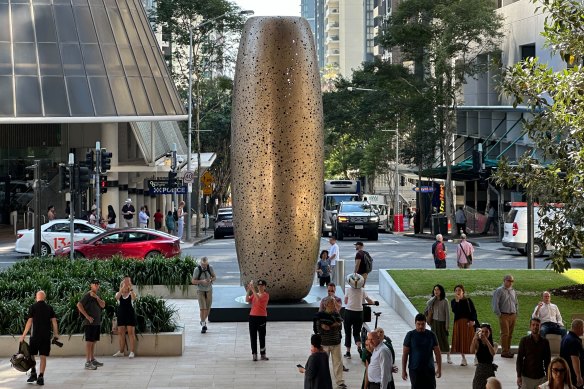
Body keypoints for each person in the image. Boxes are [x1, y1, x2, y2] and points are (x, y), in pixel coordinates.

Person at [19, 290, 59, 386]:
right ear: (44, 298)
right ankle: (41, 376)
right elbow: (54, 322)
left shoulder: (33, 307)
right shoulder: (49, 308)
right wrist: (56, 334)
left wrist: (23, 335)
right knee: (43, 357)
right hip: (45, 337)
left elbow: (29, 322)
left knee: (31, 354)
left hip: (34, 336)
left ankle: (33, 372)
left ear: (37, 297)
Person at [402, 313, 442, 389]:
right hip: (415, 370)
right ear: (415, 323)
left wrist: (439, 369)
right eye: (418, 324)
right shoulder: (410, 335)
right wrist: (403, 370)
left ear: (425, 323)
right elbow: (405, 354)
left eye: (423, 324)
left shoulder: (431, 335)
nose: (420, 326)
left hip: (429, 369)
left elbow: (438, 353)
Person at [315, 296, 346, 389]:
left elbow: (339, 326)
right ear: (326, 305)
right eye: (332, 303)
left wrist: (330, 326)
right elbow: (319, 328)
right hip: (324, 343)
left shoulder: (336, 314)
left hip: (336, 342)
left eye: (334, 303)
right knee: (323, 363)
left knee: (338, 363)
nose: (333, 305)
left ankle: (340, 382)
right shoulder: (320, 315)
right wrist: (329, 326)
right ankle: (322, 382)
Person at [344, 273, 376, 359]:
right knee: (356, 332)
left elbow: (346, 301)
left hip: (348, 312)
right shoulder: (362, 291)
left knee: (348, 332)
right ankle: (358, 347)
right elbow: (369, 301)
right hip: (359, 313)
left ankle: (348, 352)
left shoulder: (348, 290)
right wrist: (374, 302)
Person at [76, 279, 106, 370]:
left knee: (93, 341)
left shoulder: (97, 295)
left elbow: (103, 305)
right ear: (91, 285)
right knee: (89, 342)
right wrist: (87, 316)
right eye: (95, 284)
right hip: (89, 323)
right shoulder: (88, 295)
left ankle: (92, 359)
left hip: (96, 322)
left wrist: (96, 297)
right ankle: (87, 362)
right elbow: (79, 305)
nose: (96, 285)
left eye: (98, 284)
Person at [517, 318, 551, 389]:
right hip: (526, 377)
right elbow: (519, 359)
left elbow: (547, 361)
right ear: (530, 326)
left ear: (540, 326)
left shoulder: (545, 342)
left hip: (540, 377)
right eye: (533, 325)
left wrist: (548, 376)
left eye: (537, 325)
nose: (535, 327)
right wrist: (518, 376)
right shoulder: (524, 341)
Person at [451, 284, 478, 366]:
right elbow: (455, 311)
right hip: (458, 323)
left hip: (468, 323)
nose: (458, 292)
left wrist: (472, 320)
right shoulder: (453, 302)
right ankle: (463, 359)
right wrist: (457, 301)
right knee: (461, 340)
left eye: (459, 290)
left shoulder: (468, 300)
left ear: (463, 292)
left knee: (472, 340)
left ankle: (476, 357)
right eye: (456, 290)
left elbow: (473, 311)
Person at [492, 274, 518, 358]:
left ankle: (508, 350)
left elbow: (516, 302)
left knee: (510, 334)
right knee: (505, 334)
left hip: (513, 315)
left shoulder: (513, 291)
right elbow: (495, 303)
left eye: (512, 281)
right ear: (504, 281)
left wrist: (516, 312)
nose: (510, 282)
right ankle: (504, 352)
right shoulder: (499, 290)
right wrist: (500, 314)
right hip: (504, 315)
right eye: (509, 280)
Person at [425, 284, 451, 364]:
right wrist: (434, 297)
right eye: (435, 290)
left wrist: (447, 325)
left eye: (438, 290)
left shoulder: (445, 301)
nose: (436, 291)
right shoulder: (433, 300)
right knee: (434, 341)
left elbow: (447, 314)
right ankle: (435, 357)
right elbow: (428, 303)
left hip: (442, 323)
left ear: (441, 291)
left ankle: (448, 356)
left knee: (444, 340)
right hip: (434, 322)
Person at [113, 276, 137, 358]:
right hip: (121, 314)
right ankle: (121, 351)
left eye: (127, 284)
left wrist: (130, 289)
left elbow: (134, 298)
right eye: (124, 284)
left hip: (130, 314)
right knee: (121, 333)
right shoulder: (118, 293)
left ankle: (132, 352)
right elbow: (116, 297)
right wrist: (122, 288)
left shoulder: (131, 293)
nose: (126, 285)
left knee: (131, 332)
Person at [246, 279, 269, 361]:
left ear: (265, 287)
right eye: (259, 285)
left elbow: (259, 299)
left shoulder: (266, 295)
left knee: (262, 336)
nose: (260, 287)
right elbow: (247, 300)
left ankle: (263, 354)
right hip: (252, 317)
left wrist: (252, 290)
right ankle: (254, 354)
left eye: (262, 285)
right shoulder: (255, 294)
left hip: (261, 317)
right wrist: (249, 290)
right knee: (253, 336)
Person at [191, 257, 216, 333]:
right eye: (202, 265)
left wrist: (210, 280)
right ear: (200, 263)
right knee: (203, 309)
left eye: (205, 265)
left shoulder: (210, 268)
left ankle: (203, 320)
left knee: (208, 309)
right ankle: (203, 325)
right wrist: (202, 281)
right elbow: (193, 281)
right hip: (200, 291)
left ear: (207, 264)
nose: (204, 266)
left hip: (209, 291)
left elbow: (214, 277)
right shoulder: (197, 270)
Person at [470, 323, 498, 389]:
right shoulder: (477, 342)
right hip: (480, 369)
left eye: (486, 332)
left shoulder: (495, 344)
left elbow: (493, 353)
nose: (484, 333)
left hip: (489, 370)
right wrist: (474, 339)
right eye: (482, 331)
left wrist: (486, 341)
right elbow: (471, 351)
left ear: (490, 332)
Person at [560, 319, 584, 388]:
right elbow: (575, 359)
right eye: (583, 327)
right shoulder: (574, 341)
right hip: (573, 377)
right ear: (580, 327)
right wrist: (579, 377)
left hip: (567, 374)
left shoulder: (565, 337)